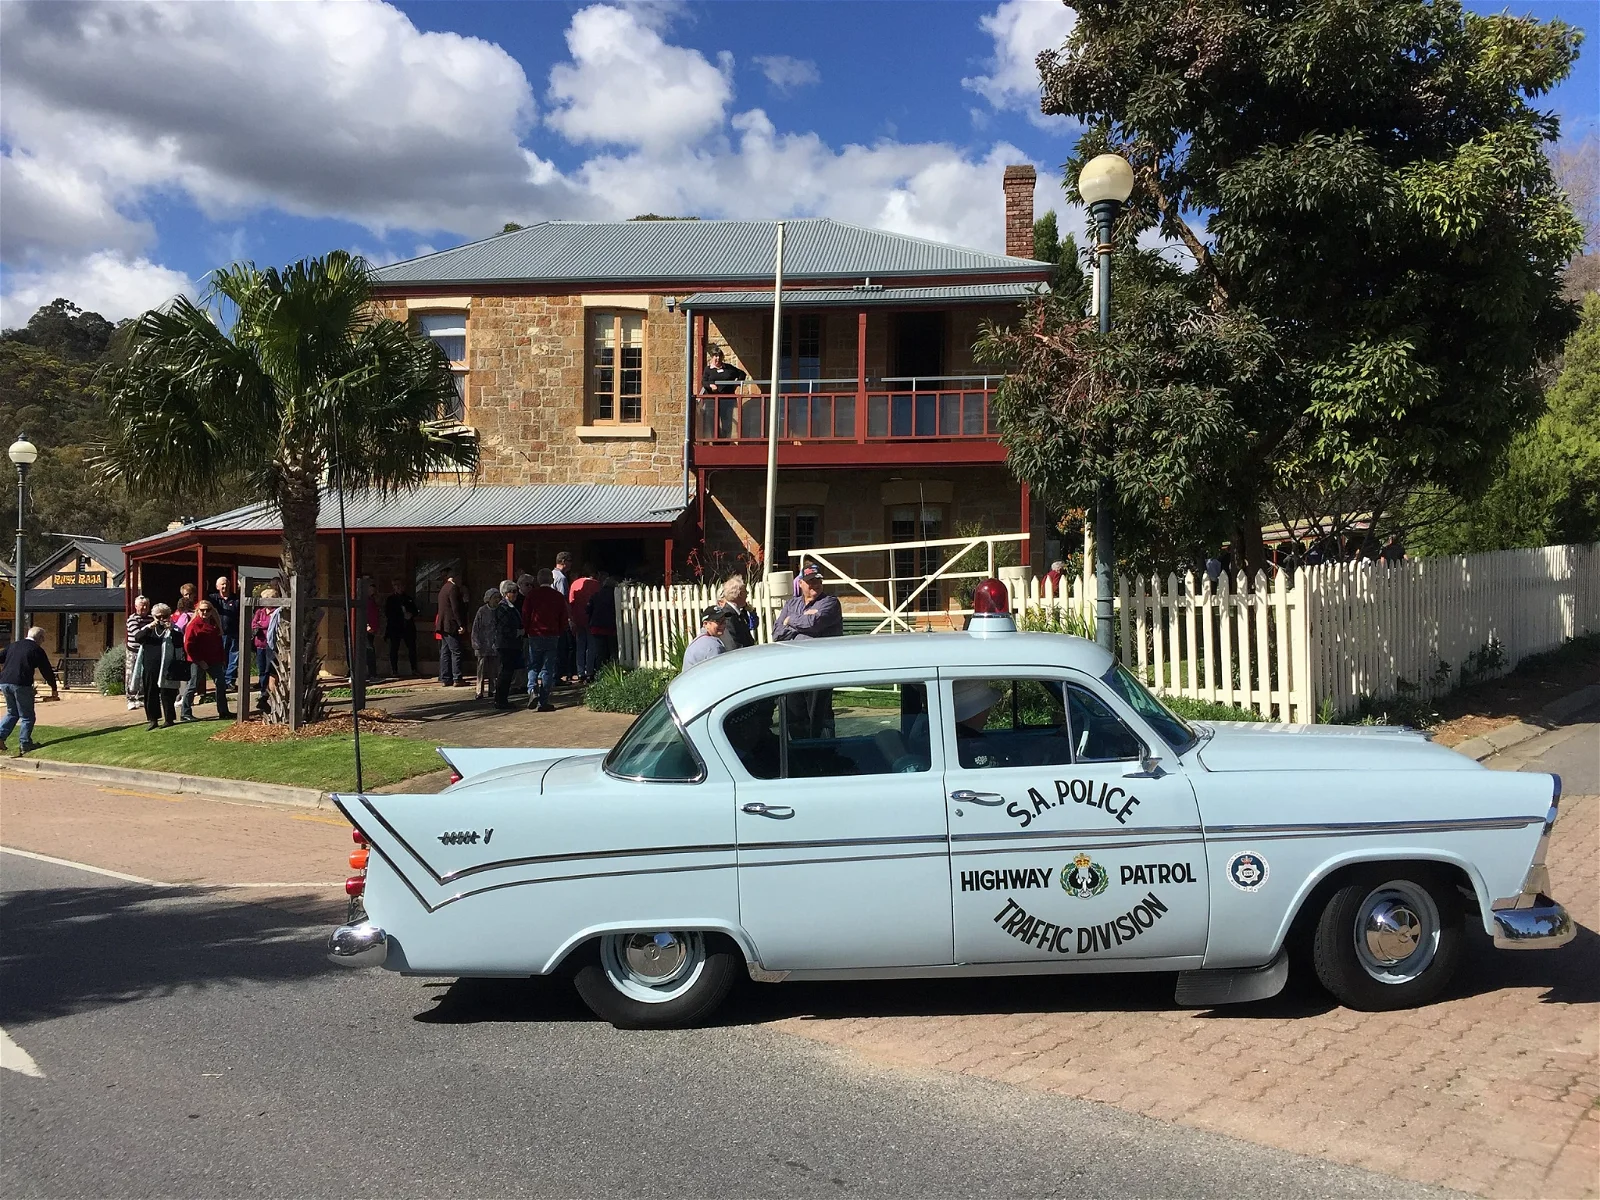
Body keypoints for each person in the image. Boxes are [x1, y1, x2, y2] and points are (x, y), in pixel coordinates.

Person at [0, 625, 59, 756]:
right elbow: (46, 671)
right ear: (40, 638)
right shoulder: (36, 649)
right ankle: (25, 744)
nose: (42, 641)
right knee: (27, 716)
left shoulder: (13, 645)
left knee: (12, 712)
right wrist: (54, 688)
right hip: (21, 684)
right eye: (43, 639)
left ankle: (0, 737)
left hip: (4, 682)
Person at [133, 606, 187, 731]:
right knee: (150, 692)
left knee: (167, 692)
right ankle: (153, 719)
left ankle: (169, 719)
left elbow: (179, 642)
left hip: (167, 666)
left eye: (165, 616)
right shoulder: (149, 629)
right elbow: (138, 638)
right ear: (153, 617)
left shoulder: (174, 629)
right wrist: (149, 627)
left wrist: (172, 629)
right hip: (150, 666)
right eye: (158, 617)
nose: (162, 619)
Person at [522, 568, 568, 711]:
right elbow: (563, 617)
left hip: (535, 634)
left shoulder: (531, 595)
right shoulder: (558, 596)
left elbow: (525, 614)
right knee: (548, 668)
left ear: (538, 580)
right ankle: (543, 701)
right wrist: (559, 631)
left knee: (533, 665)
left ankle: (532, 689)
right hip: (552, 635)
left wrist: (527, 629)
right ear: (552, 580)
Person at [181, 600, 232, 720]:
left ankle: (223, 711)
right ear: (197, 611)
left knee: (221, 684)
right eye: (202, 610)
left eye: (208, 610)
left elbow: (219, 643)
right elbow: (188, 646)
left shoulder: (215, 624)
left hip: (215, 660)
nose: (205, 612)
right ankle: (185, 713)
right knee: (193, 686)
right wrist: (199, 661)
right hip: (198, 661)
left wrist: (222, 659)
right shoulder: (193, 625)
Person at [773, 565, 843, 642]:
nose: (816, 584)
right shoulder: (791, 604)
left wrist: (790, 620)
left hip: (821, 651)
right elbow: (776, 634)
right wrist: (803, 620)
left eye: (818, 581)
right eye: (811, 581)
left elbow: (813, 623)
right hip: (793, 651)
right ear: (800, 583)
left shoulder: (830, 602)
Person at [952, 679, 1004, 769]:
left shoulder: (953, 736)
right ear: (977, 712)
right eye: (987, 707)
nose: (988, 711)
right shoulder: (978, 746)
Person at [491, 580, 527, 710]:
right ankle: (500, 700)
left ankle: (503, 699)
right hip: (505, 645)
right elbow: (503, 628)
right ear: (506, 594)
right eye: (513, 592)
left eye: (516, 592)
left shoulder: (511, 607)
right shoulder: (502, 608)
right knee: (505, 673)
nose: (516, 594)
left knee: (508, 673)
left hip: (511, 645)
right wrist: (518, 632)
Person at [566, 565, 600, 683]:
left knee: (580, 645)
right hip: (591, 618)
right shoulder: (596, 584)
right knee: (591, 646)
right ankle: (589, 671)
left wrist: (572, 619)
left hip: (578, 618)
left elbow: (571, 602)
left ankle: (580, 672)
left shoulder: (574, 584)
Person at [434, 569, 468, 687]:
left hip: (443, 624)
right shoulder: (453, 588)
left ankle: (445, 678)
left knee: (445, 651)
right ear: (454, 577)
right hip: (451, 625)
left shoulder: (443, 589)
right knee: (456, 651)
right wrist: (461, 624)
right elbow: (455, 608)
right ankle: (457, 678)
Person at [207, 574, 241, 689]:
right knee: (221, 657)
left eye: (226, 584)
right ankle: (221, 680)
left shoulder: (236, 599)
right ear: (217, 587)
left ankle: (230, 681)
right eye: (222, 584)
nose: (225, 586)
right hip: (219, 634)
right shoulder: (213, 599)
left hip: (234, 633)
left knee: (234, 657)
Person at [470, 587, 502, 700]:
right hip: (483, 645)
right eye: (494, 598)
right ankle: (479, 691)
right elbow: (475, 628)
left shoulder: (500, 611)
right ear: (488, 599)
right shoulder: (482, 611)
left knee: (494, 669)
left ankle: (493, 690)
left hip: (495, 645)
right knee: (481, 670)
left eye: (498, 597)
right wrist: (476, 643)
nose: (497, 600)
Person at [250, 586, 277, 711]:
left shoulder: (277, 612)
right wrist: (261, 625)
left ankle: (268, 695)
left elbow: (268, 624)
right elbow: (254, 624)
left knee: (268, 670)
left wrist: (262, 625)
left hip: (271, 645)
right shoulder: (259, 612)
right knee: (261, 670)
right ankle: (262, 693)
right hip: (259, 644)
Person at [384, 578, 419, 676]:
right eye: (396, 585)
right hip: (395, 628)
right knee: (394, 649)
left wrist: (410, 614)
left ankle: (414, 669)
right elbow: (388, 613)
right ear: (394, 587)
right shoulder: (390, 599)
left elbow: (415, 611)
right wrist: (400, 616)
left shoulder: (408, 598)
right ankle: (394, 670)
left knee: (412, 648)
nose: (399, 587)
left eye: (400, 585)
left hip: (408, 627)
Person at [125, 595, 153, 710]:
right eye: (142, 606)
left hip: (145, 651)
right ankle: (130, 699)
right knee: (131, 675)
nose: (144, 608)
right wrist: (148, 628)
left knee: (143, 675)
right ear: (136, 606)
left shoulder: (151, 618)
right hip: (133, 651)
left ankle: (141, 697)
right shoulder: (132, 619)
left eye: (146, 605)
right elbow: (138, 636)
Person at [551, 551, 575, 682]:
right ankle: (557, 675)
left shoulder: (552, 575)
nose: (571, 565)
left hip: (551, 615)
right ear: (564, 562)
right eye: (570, 561)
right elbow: (563, 599)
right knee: (561, 647)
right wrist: (570, 617)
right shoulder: (561, 578)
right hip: (559, 617)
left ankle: (554, 675)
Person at [715, 575, 757, 650]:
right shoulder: (728, 616)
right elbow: (733, 645)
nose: (747, 594)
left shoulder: (738, 613)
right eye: (745, 591)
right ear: (740, 594)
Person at [586, 573, 617, 676]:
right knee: (611, 652)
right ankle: (611, 673)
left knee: (600, 653)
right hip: (610, 628)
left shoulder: (596, 595)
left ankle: (600, 674)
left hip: (596, 628)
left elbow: (588, 610)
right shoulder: (615, 596)